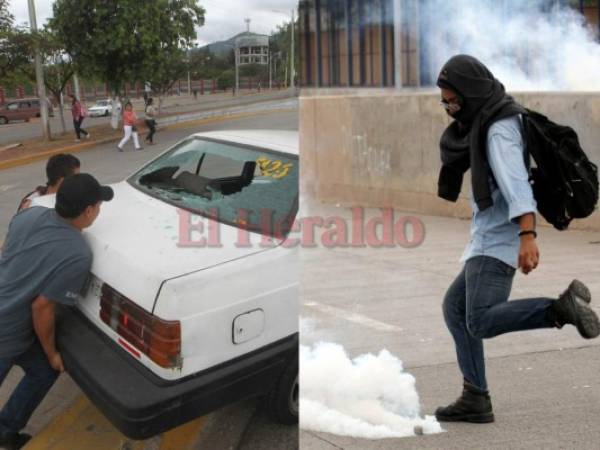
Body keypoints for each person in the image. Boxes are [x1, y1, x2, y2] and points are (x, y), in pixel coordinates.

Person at [434, 54, 600, 424]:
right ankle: (475, 396)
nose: (448, 108)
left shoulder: (497, 130)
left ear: (471, 94)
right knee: (454, 308)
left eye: (453, 100)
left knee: (477, 319)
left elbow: (515, 182)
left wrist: (528, 234)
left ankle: (559, 310)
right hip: (488, 235)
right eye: (444, 100)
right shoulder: (488, 119)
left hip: (499, 238)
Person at [0, 174, 113, 450]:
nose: (98, 212)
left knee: (41, 372)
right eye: (98, 206)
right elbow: (42, 307)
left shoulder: (29, 214)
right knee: (46, 366)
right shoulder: (77, 253)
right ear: (88, 211)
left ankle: (5, 431)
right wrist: (52, 353)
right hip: (7, 334)